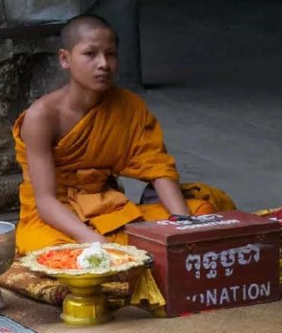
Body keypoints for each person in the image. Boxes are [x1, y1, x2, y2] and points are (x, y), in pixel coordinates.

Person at [12, 13, 235, 256]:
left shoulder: (128, 106)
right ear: (65, 59)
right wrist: (94, 241)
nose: (103, 64)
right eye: (90, 54)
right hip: (55, 220)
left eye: (111, 54)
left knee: (204, 209)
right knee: (65, 256)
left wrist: (183, 224)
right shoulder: (42, 116)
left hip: (108, 209)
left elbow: (158, 169)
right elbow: (45, 203)